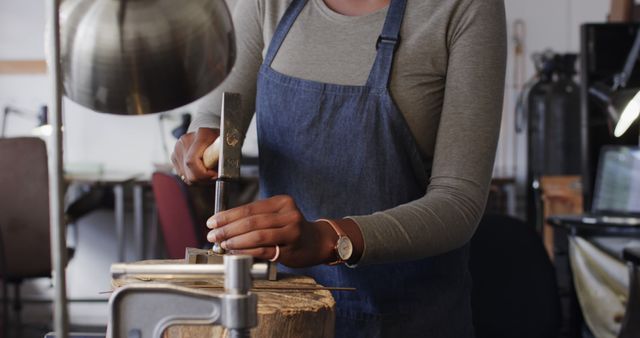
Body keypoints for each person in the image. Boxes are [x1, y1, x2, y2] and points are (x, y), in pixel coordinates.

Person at [172, 0, 506, 336]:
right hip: (282, 318)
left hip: (408, 320)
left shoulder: (464, 7)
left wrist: (326, 238)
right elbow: (217, 117)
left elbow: (458, 202)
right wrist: (202, 142)